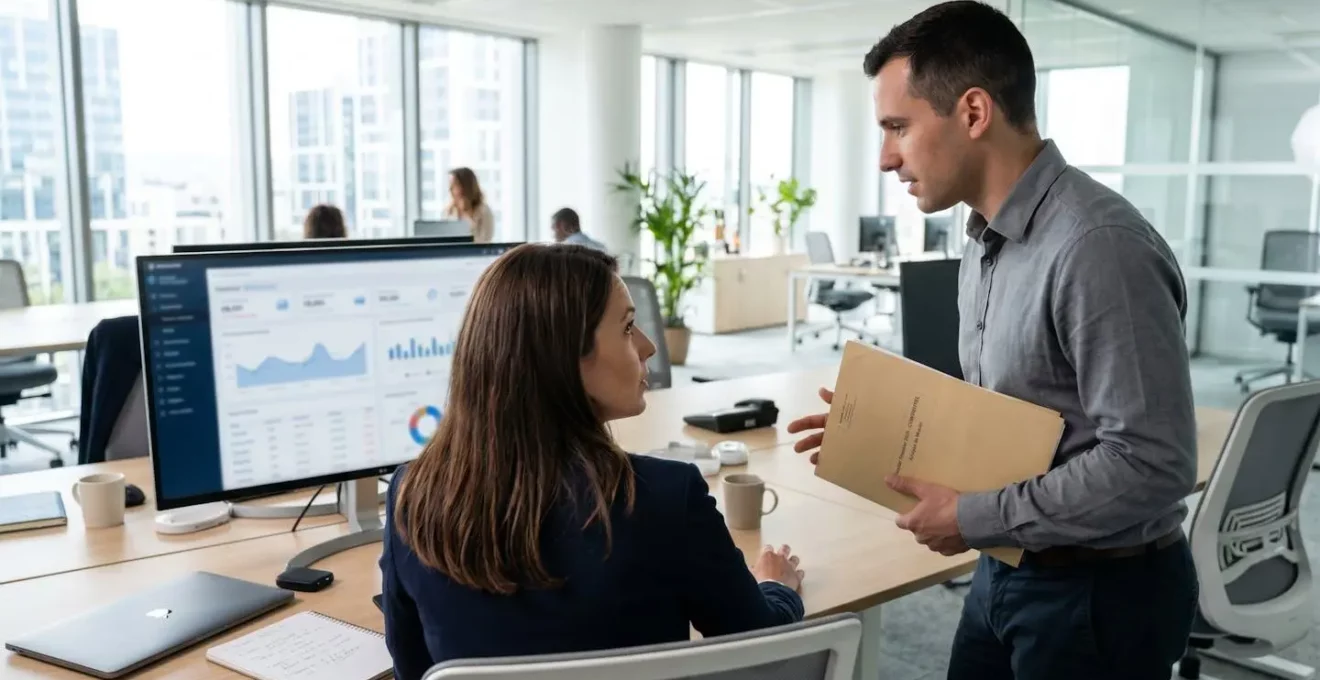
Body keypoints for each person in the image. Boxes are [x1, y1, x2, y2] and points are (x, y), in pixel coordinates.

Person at [788, 3, 1197, 679]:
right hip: (1008, 566)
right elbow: (1014, 414)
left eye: (898, 127)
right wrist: (880, 435)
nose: (886, 159)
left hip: (1099, 593)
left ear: (974, 113)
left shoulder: (1097, 247)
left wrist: (976, 516)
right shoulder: (983, 241)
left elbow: (1152, 463)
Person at [381, 243, 805, 680]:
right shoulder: (665, 497)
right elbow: (762, 651)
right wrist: (777, 587)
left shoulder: (411, 495)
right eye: (628, 328)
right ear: (564, 357)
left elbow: (412, 670)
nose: (647, 347)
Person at [445, 167, 495, 243]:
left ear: (466, 187)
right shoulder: (450, 212)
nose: (450, 189)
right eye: (450, 185)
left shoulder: (484, 211)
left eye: (455, 185)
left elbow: (485, 242)